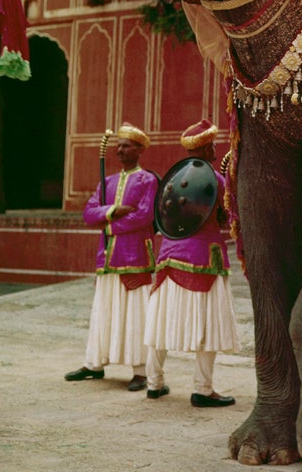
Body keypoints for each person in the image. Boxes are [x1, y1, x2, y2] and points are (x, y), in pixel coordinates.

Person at [143, 120, 239, 406]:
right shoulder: (216, 180)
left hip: (168, 257)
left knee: (159, 324)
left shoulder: (173, 180)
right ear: (206, 147)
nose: (214, 148)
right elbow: (225, 217)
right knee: (208, 325)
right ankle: (202, 388)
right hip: (203, 258)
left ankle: (154, 383)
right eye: (211, 144)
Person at [64, 123, 158, 391]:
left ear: (139, 149)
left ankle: (140, 370)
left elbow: (144, 216)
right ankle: (94, 363)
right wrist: (114, 209)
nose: (119, 150)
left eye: (126, 145)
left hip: (135, 255)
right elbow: (88, 212)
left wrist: (109, 224)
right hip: (107, 256)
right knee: (103, 310)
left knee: (135, 313)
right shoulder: (108, 182)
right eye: (118, 145)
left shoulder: (147, 180)